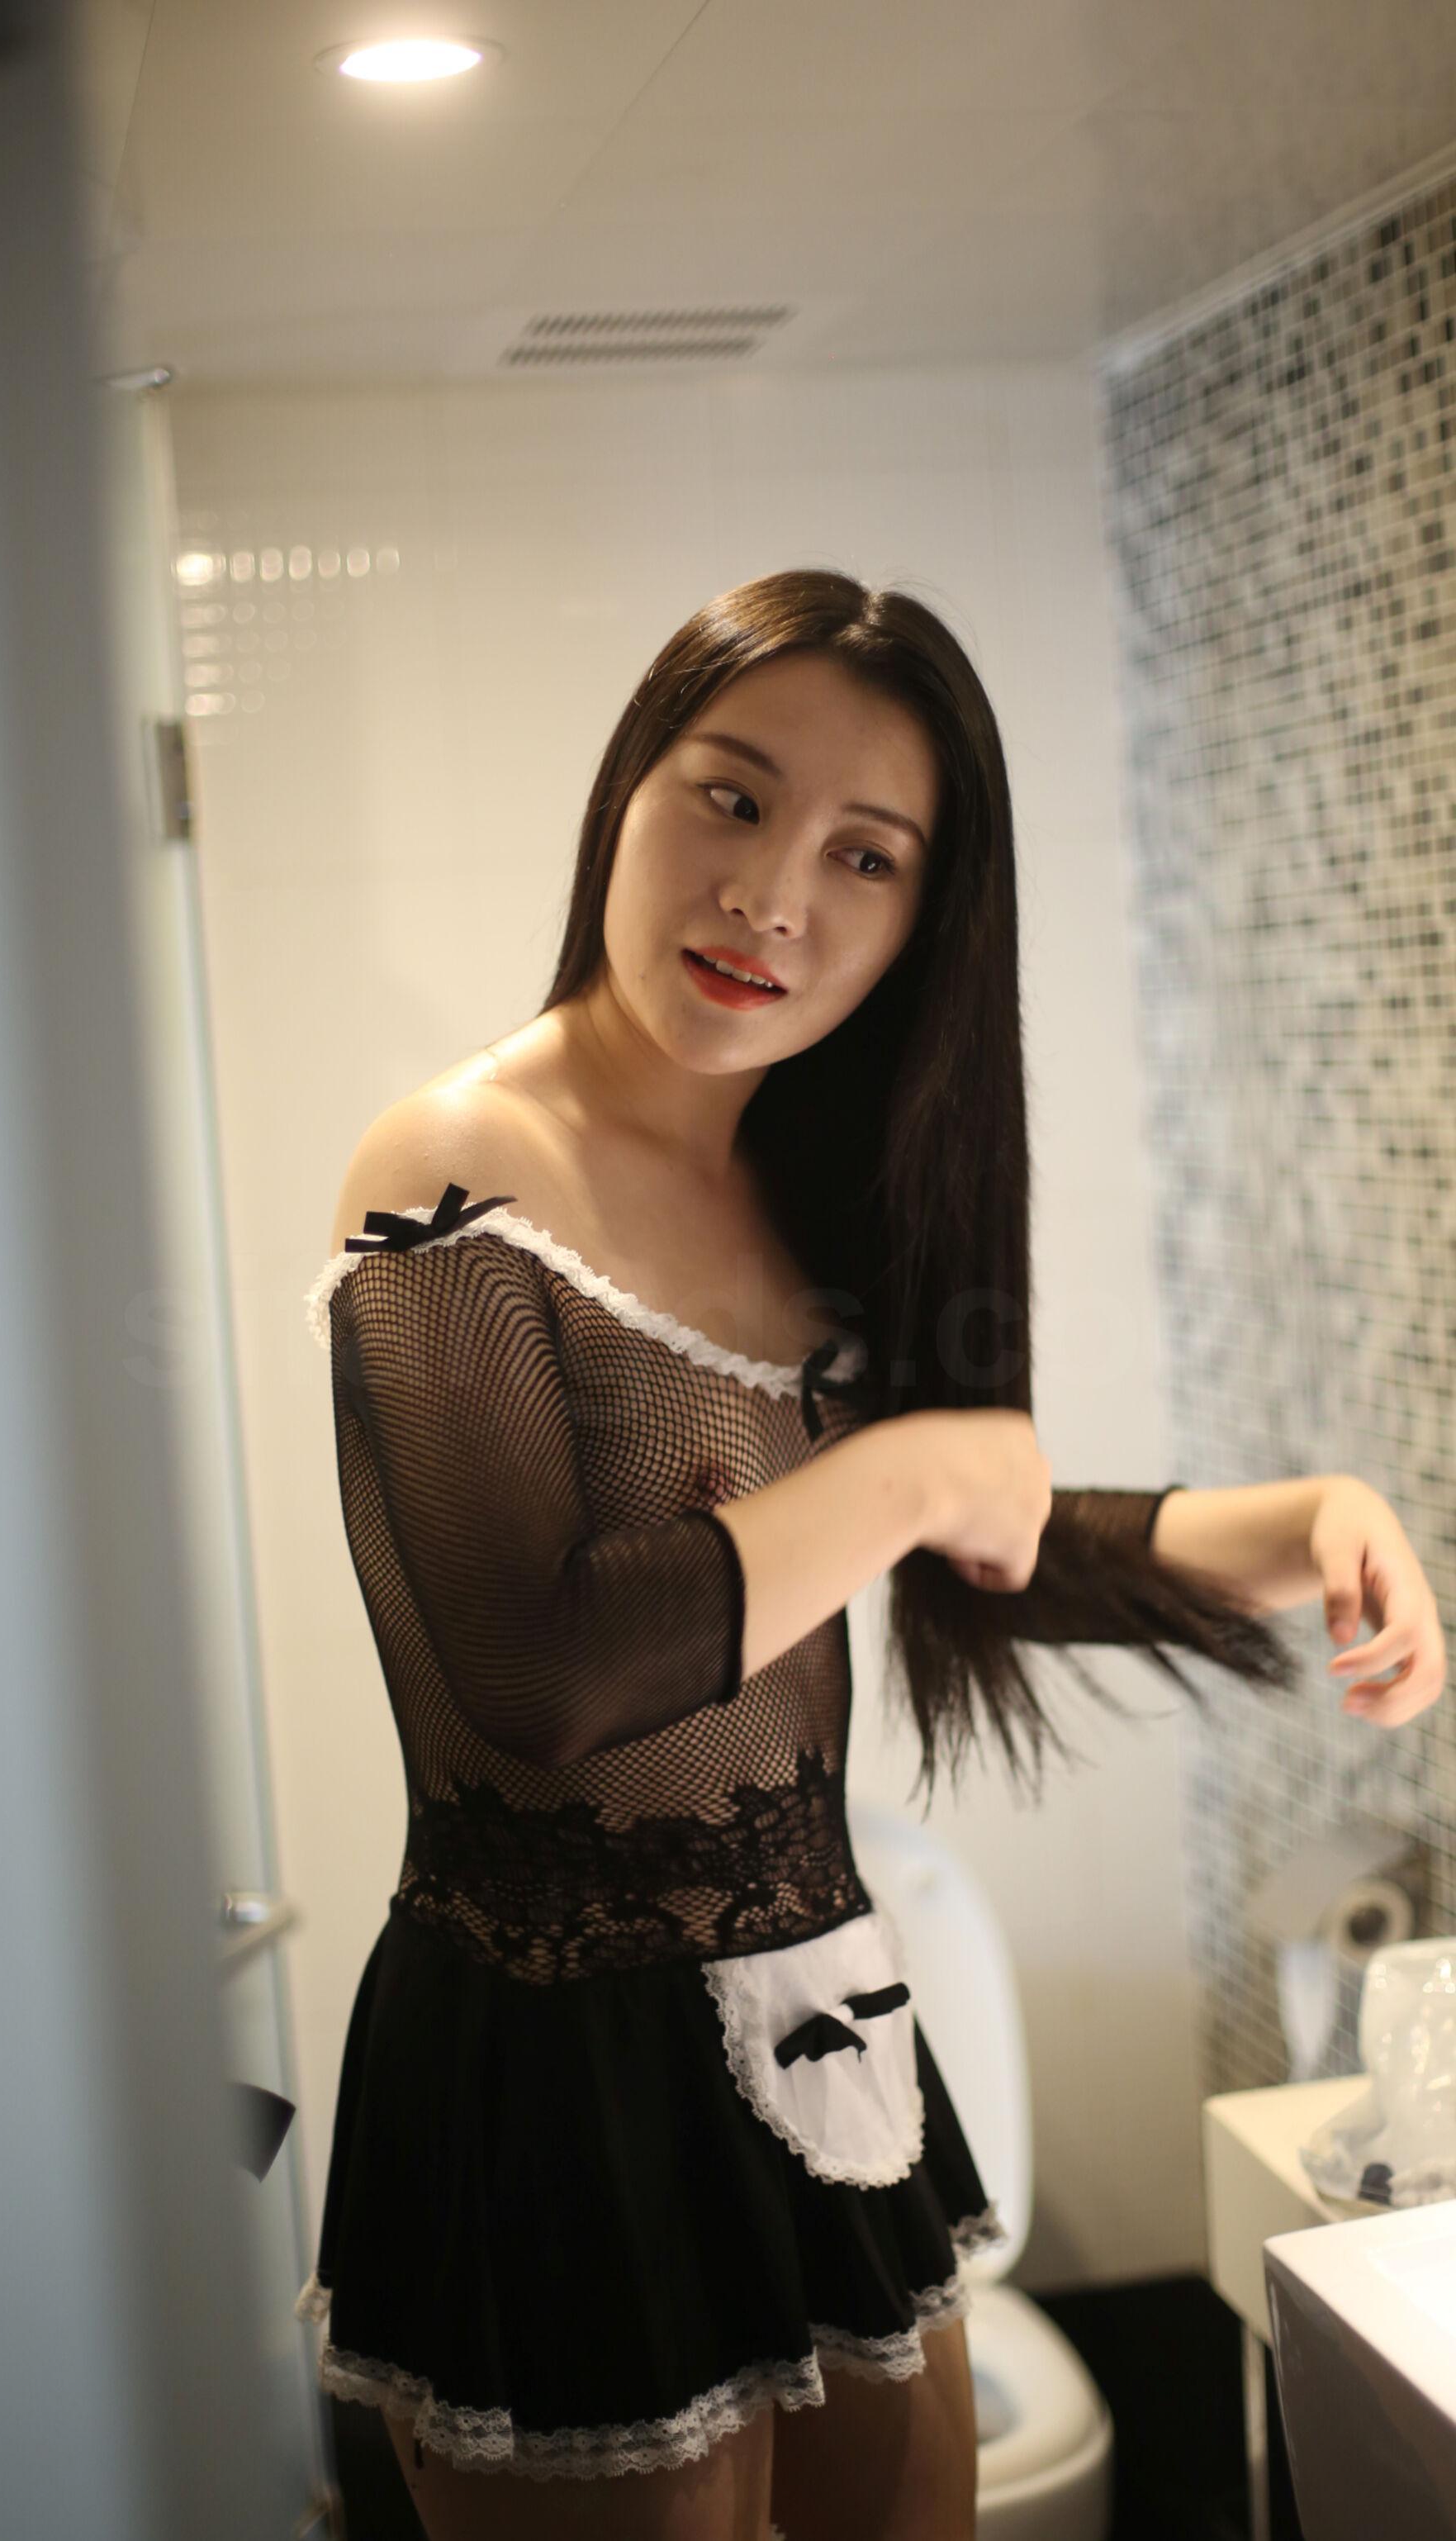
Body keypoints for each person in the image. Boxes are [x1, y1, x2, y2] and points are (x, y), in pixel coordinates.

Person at [293, 568, 1446, 2541]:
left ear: (927, 918)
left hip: (826, 2001)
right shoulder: (455, 1168)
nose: (772, 895)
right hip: (558, 2065)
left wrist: (1300, 1519)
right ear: (629, 791)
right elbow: (541, 1669)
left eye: (865, 853)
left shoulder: (812, 1181)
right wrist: (910, 1472)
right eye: (732, 797)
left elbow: (978, 1531)